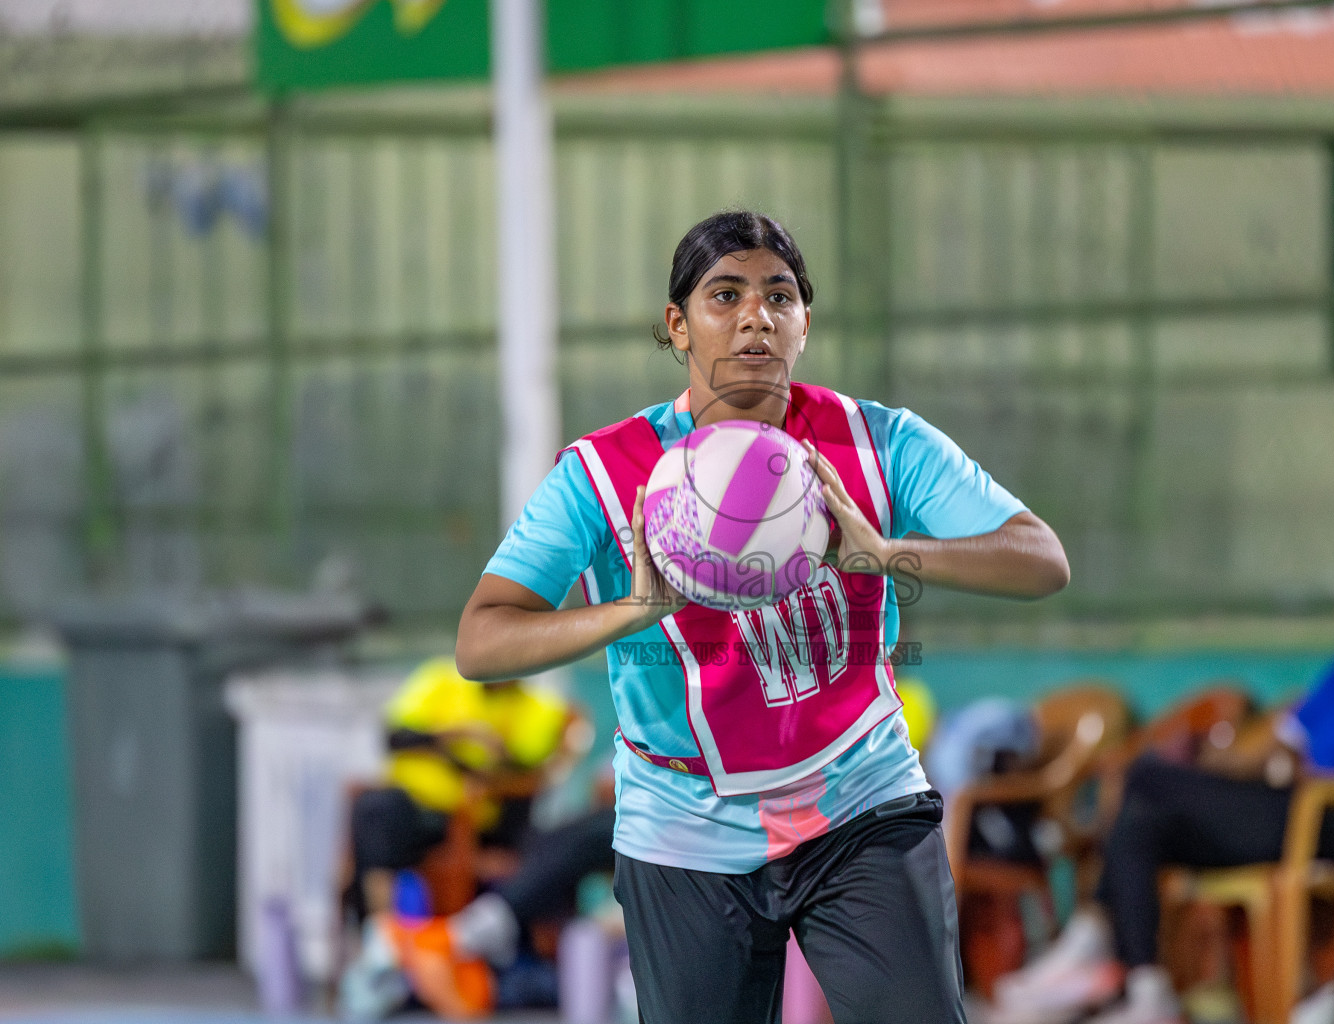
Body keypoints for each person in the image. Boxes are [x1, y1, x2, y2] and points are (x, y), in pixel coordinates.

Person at [454, 210, 1071, 1023]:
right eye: (725, 295)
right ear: (678, 325)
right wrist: (633, 610)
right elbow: (482, 639)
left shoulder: (875, 441)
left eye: (780, 296)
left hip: (859, 802)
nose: (756, 316)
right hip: (683, 826)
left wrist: (887, 556)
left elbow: (1041, 560)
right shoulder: (605, 475)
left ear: (805, 322)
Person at [990, 552, 1334, 1024]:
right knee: (1146, 813)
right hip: (1293, 811)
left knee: (1147, 783)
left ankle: (1098, 943)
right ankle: (1145, 985)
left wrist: (1302, 778)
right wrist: (1211, 757)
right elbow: (1274, 750)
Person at [341, 657, 616, 1019]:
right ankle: (383, 941)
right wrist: (454, 738)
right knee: (377, 808)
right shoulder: (440, 681)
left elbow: (538, 770)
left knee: (557, 845)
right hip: (422, 810)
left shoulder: (537, 708)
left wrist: (485, 769)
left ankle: (450, 945)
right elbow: (395, 737)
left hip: (489, 822)